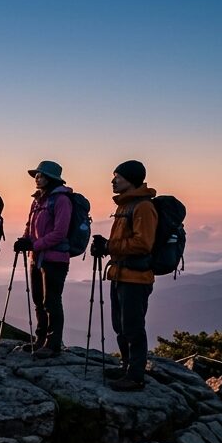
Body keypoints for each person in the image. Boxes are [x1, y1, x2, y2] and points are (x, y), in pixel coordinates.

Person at [91, 159, 157, 391]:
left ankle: (135, 375)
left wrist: (109, 246)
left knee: (133, 327)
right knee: (120, 326)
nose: (113, 181)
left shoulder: (143, 207)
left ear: (130, 180)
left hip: (135, 278)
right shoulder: (125, 205)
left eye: (117, 177)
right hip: (120, 274)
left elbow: (143, 243)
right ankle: (127, 367)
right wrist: (108, 245)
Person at [14, 160, 74, 359]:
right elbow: (29, 226)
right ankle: (40, 339)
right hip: (37, 258)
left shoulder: (62, 200)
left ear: (51, 178)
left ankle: (53, 343)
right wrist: (24, 240)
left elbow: (60, 232)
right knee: (38, 300)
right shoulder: (38, 200)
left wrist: (34, 245)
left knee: (52, 301)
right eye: (36, 175)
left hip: (55, 259)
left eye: (40, 175)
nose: (36, 178)